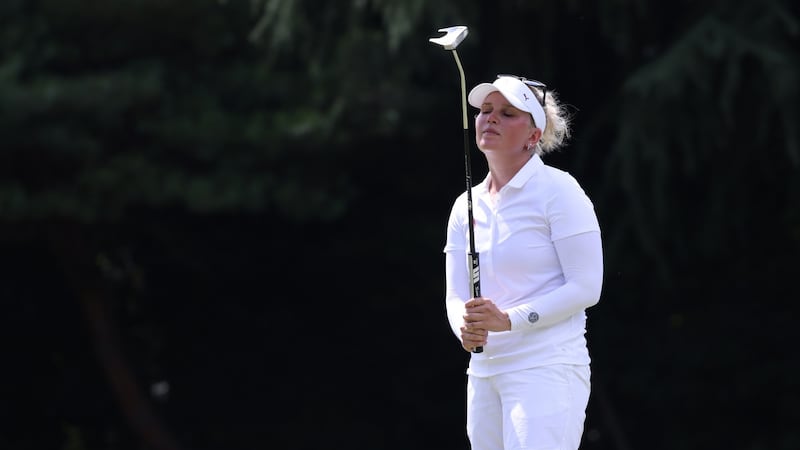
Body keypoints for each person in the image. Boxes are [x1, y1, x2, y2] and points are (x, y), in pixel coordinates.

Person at [443, 74, 604, 450]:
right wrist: (464, 329)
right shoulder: (464, 206)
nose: (490, 118)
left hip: (546, 369)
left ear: (534, 135)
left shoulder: (560, 190)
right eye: (485, 110)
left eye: (508, 112)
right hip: (484, 373)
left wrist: (509, 320)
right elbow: (455, 295)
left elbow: (586, 287)